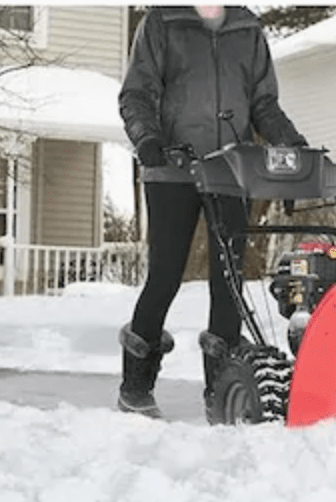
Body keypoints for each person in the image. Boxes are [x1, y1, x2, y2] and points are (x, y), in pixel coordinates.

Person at [116, 5, 308, 419]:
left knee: (229, 282)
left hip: (230, 169)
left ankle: (222, 390)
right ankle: (136, 386)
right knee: (165, 275)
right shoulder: (162, 22)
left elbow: (263, 104)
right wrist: (147, 138)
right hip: (171, 168)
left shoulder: (247, 28)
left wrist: (291, 145)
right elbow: (136, 93)